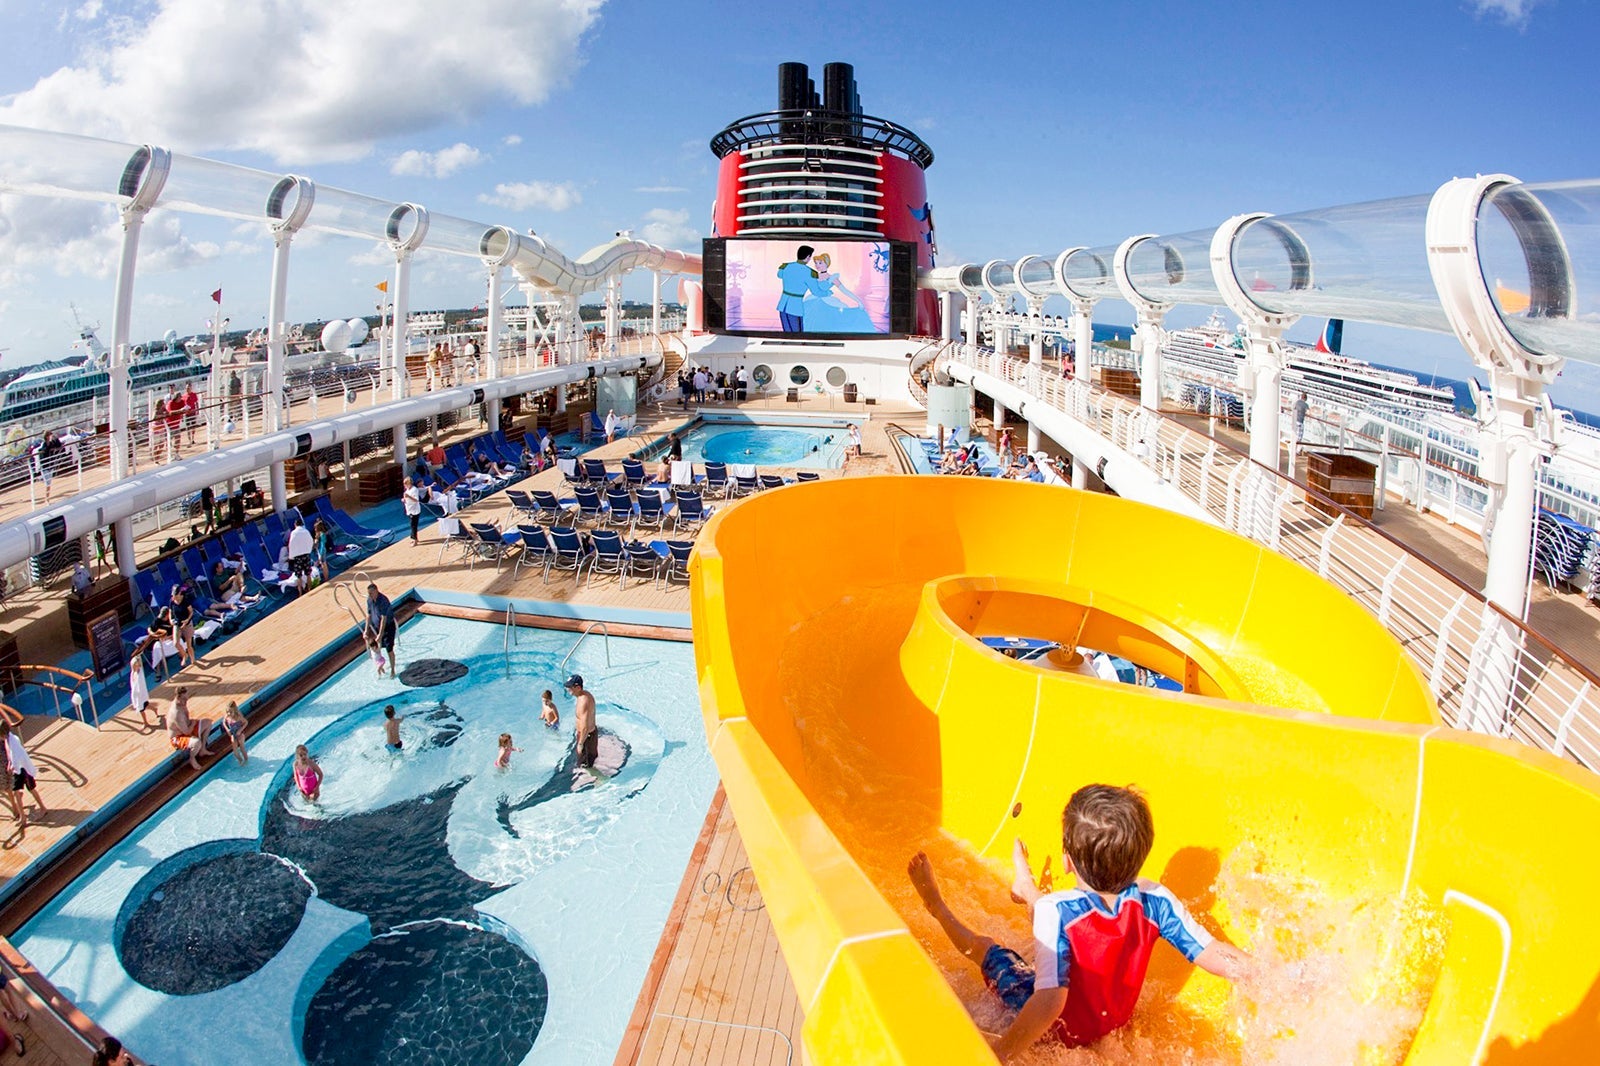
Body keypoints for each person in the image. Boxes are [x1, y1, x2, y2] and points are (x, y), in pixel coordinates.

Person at [907, 785, 1253, 1058]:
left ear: (1067, 861)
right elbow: (1213, 954)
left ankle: (938, 906)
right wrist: (1267, 974)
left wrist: (999, 1055)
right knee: (1049, 919)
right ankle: (1026, 888)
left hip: (1059, 1030)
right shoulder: (1156, 899)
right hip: (1110, 1021)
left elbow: (1048, 1004)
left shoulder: (1057, 910)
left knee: (987, 948)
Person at [775, 244, 835, 332]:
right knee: (798, 335)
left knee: (787, 333)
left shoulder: (786, 266)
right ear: (808, 257)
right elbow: (816, 292)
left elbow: (779, 275)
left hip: (782, 305)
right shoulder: (809, 273)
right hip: (795, 308)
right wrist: (828, 293)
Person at [0, 720, 45, 831]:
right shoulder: (9, 739)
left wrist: (12, 766)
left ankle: (42, 808)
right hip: (18, 770)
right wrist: (10, 764)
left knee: (31, 789)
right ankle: (23, 817)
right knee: (18, 793)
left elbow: (16, 755)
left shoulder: (12, 741)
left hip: (22, 770)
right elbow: (11, 756)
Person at [168, 687, 212, 769]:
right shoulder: (176, 713)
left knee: (208, 722)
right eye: (184, 699)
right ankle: (192, 759)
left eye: (187, 699)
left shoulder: (182, 703)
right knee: (197, 742)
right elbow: (187, 732)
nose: (186, 701)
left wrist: (192, 723)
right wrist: (193, 723)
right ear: (178, 698)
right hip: (178, 737)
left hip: (187, 727)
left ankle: (202, 750)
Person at [565, 674, 598, 772]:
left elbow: (585, 728)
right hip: (588, 736)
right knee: (588, 762)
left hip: (586, 738)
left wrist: (580, 744)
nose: (568, 689)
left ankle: (601, 780)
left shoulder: (584, 701)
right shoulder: (584, 695)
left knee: (585, 767)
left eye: (570, 687)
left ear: (578, 687)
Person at [366, 583, 397, 671]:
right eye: (368, 593)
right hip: (377, 627)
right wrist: (366, 630)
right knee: (376, 648)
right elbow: (368, 615)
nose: (369, 595)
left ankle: (392, 670)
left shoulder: (383, 600)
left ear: (376, 591)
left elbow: (384, 618)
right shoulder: (369, 600)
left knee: (389, 649)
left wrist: (380, 634)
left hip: (388, 627)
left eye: (371, 593)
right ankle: (381, 666)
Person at [168, 584, 197, 668]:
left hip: (187, 624)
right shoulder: (172, 601)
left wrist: (187, 620)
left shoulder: (185, 601)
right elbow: (170, 612)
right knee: (175, 643)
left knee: (189, 645)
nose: (174, 597)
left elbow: (191, 612)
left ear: (180, 593)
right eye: (173, 595)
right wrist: (170, 620)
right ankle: (184, 655)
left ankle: (193, 660)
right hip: (177, 624)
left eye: (176, 595)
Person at [35, 429, 65, 503]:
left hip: (50, 466)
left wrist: (55, 437)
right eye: (50, 435)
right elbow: (43, 451)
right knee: (48, 484)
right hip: (45, 466)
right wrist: (50, 448)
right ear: (47, 436)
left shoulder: (51, 443)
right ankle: (47, 499)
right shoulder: (44, 444)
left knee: (48, 483)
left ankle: (47, 498)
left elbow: (59, 445)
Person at [287, 518, 315, 594]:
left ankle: (300, 592)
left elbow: (291, 545)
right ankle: (310, 589)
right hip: (306, 555)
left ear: (295, 525)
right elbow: (310, 541)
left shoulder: (293, 533)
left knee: (298, 575)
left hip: (298, 556)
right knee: (308, 573)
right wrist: (309, 550)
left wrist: (291, 557)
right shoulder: (306, 531)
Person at [221, 701, 248, 766]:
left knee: (242, 748)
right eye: (227, 712)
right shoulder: (227, 716)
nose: (229, 713)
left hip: (240, 733)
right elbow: (224, 722)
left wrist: (240, 730)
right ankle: (240, 760)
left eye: (230, 712)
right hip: (233, 733)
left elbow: (246, 722)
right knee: (235, 751)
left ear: (234, 711)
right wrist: (227, 729)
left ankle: (246, 760)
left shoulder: (238, 716)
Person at [401, 476, 424, 546]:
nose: (405, 486)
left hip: (415, 510)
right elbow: (406, 499)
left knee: (413, 525)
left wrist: (408, 497)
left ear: (409, 484)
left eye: (406, 484)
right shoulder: (407, 490)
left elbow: (416, 500)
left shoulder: (414, 490)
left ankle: (414, 539)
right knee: (413, 525)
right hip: (409, 509)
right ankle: (414, 538)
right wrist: (404, 499)